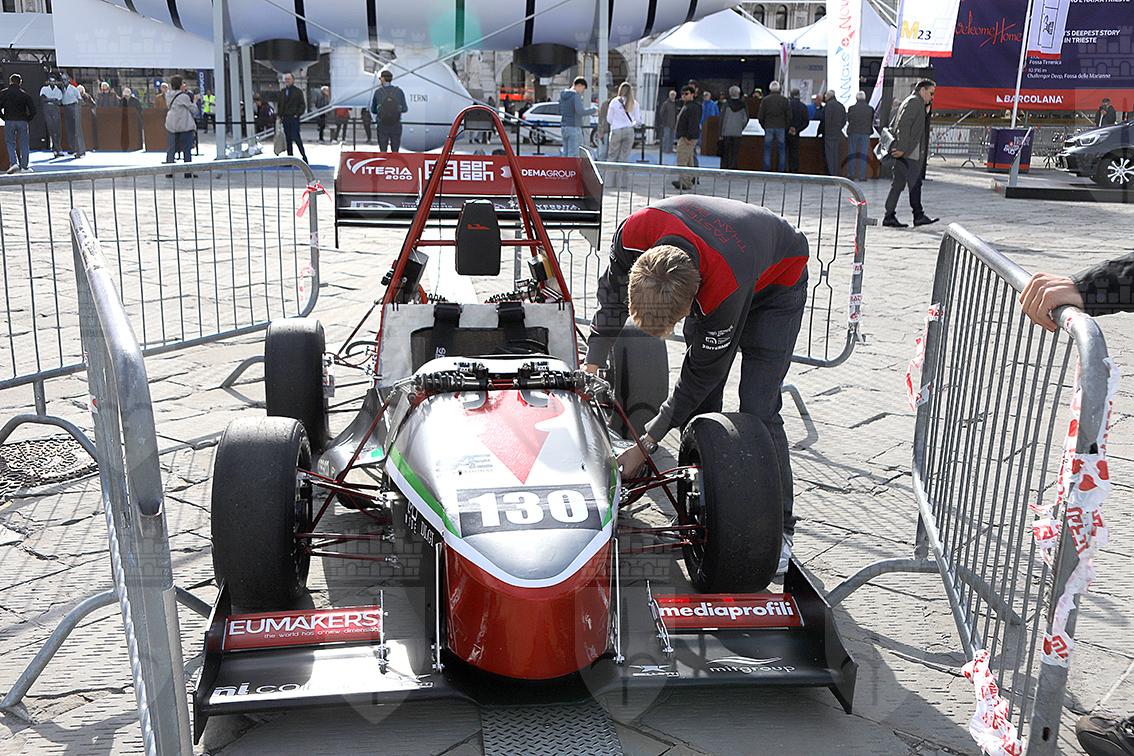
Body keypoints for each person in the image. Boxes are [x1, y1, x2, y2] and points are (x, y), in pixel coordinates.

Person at [585, 195, 810, 574]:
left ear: (694, 299)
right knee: (705, 409)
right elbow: (611, 300)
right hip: (727, 256)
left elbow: (700, 375)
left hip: (778, 282)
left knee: (759, 406)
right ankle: (705, 507)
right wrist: (592, 363)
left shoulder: (721, 285)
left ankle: (781, 530)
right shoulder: (633, 235)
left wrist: (646, 442)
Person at [883, 79, 938, 228]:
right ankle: (917, 215)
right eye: (931, 93)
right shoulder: (914, 102)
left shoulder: (915, 102)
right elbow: (904, 125)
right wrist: (902, 148)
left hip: (907, 153)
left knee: (899, 185)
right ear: (923, 90)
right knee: (914, 184)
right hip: (908, 154)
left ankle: (890, 216)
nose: (932, 97)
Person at [1, 74, 36, 173]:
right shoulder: (25, 95)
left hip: (9, 120)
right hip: (22, 121)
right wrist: (27, 119)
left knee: (10, 143)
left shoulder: (4, 93)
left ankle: (14, 163)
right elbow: (33, 110)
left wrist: (4, 117)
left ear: (10, 81)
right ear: (20, 82)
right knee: (24, 144)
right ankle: (24, 166)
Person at [163, 75, 198, 174]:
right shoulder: (183, 96)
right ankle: (187, 171)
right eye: (183, 83)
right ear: (180, 85)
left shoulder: (168, 95)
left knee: (171, 148)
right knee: (187, 149)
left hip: (171, 124)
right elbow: (194, 110)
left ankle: (169, 171)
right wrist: (195, 101)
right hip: (184, 125)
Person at [369, 69, 408, 152]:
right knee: (395, 151)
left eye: (380, 79)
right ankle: (395, 160)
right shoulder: (399, 91)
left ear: (383, 79)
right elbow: (405, 109)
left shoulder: (378, 92)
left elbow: (373, 110)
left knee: (383, 151)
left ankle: (384, 160)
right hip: (396, 124)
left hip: (382, 125)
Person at [672, 85, 701, 189]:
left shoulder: (693, 107)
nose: (684, 95)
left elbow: (693, 123)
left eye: (686, 93)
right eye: (682, 94)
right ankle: (688, 180)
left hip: (687, 138)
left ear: (692, 94)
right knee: (689, 160)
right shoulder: (687, 106)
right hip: (686, 137)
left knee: (682, 160)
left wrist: (688, 137)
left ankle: (685, 182)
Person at [758, 81, 791, 172]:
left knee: (767, 149)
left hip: (768, 126)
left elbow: (760, 116)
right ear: (779, 89)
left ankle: (767, 169)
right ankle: (781, 170)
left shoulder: (765, 100)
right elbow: (789, 116)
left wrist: (764, 126)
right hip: (781, 127)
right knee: (781, 149)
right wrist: (786, 126)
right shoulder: (784, 100)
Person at [558, 76, 594, 158]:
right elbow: (580, 111)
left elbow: (559, 109)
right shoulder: (575, 96)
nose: (582, 92)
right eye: (583, 89)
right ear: (579, 86)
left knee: (565, 153)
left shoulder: (563, 95)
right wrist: (593, 110)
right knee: (573, 154)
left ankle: (565, 166)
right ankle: (571, 167)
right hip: (574, 127)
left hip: (564, 126)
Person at [606, 82, 641, 163]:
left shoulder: (614, 102)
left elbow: (609, 119)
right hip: (629, 130)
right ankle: (621, 171)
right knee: (624, 157)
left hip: (616, 130)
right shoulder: (634, 103)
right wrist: (632, 124)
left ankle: (610, 171)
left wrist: (615, 123)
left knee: (612, 156)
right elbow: (638, 120)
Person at [278, 72, 309, 162]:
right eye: (286, 79)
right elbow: (280, 104)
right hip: (285, 118)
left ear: (293, 80)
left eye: (289, 79)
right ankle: (290, 158)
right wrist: (280, 115)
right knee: (288, 139)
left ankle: (304, 156)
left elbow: (302, 105)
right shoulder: (283, 92)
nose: (287, 81)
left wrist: (297, 114)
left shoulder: (298, 91)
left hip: (294, 118)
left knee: (296, 137)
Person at [846, 91, 875, 181]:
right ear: (865, 98)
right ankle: (862, 176)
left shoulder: (851, 108)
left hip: (853, 132)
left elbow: (849, 119)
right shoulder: (870, 109)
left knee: (852, 153)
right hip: (865, 133)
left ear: (856, 98)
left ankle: (851, 175)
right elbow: (871, 120)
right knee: (863, 154)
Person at [718, 85, 748, 171]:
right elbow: (745, 119)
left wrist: (720, 132)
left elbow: (722, 119)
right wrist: (741, 128)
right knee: (735, 152)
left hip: (726, 131)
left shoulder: (726, 104)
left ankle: (725, 168)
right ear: (739, 93)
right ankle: (733, 167)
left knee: (725, 152)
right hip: (737, 132)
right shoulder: (743, 105)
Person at [820, 90, 846, 176]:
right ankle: (836, 173)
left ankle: (831, 174)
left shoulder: (828, 106)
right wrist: (839, 128)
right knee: (836, 156)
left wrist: (821, 131)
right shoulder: (841, 106)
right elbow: (844, 120)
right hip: (838, 134)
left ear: (828, 96)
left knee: (830, 156)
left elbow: (825, 120)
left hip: (829, 134)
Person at [59, 74, 85, 157]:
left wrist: (77, 109)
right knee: (69, 130)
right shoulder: (62, 89)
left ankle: (80, 151)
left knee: (77, 130)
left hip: (73, 107)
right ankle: (72, 148)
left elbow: (80, 99)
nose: (63, 81)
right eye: (62, 80)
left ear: (68, 80)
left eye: (65, 79)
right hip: (66, 108)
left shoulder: (73, 89)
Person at [39, 73, 64, 157]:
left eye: (53, 81)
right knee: (51, 129)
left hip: (55, 109)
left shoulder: (58, 90)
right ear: (48, 81)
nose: (52, 82)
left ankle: (57, 148)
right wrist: (53, 99)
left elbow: (59, 102)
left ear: (56, 82)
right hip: (47, 109)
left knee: (57, 129)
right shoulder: (44, 89)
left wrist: (48, 99)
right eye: (50, 81)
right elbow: (43, 99)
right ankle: (56, 149)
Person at [787, 88, 809, 173]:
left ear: (791, 95)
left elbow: (784, 118)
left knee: (785, 151)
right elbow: (806, 121)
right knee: (795, 152)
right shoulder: (803, 106)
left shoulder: (787, 105)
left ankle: (786, 169)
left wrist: (789, 128)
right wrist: (797, 129)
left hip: (786, 131)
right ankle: (794, 170)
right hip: (796, 133)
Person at [657, 89, 678, 154]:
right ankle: (665, 149)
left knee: (672, 138)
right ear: (669, 95)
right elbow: (661, 113)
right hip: (666, 124)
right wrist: (664, 120)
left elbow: (676, 113)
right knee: (666, 137)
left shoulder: (676, 104)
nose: (672, 96)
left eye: (674, 95)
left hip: (674, 124)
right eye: (671, 95)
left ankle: (670, 149)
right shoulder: (665, 103)